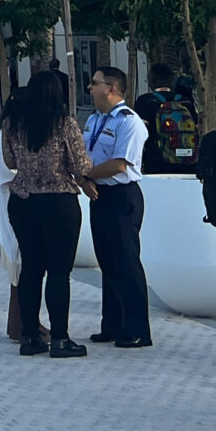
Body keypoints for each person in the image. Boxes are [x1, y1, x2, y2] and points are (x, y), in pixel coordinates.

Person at [1, 68, 94, 358]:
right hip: (59, 201)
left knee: (31, 268)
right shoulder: (65, 124)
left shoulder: (13, 123)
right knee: (59, 272)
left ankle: (30, 336)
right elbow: (80, 165)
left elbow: (9, 159)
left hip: (23, 199)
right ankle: (61, 339)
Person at [83, 65, 151, 348]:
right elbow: (83, 155)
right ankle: (112, 324)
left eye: (95, 83)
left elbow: (119, 163)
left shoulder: (128, 122)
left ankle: (137, 329)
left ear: (111, 88)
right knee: (108, 262)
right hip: (99, 194)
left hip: (122, 195)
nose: (90, 88)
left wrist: (85, 176)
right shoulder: (94, 120)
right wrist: (82, 179)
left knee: (126, 261)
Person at [132, 62, 197, 174]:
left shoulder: (145, 101)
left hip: (157, 161)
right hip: (187, 160)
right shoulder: (185, 101)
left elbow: (139, 133)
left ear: (151, 80)